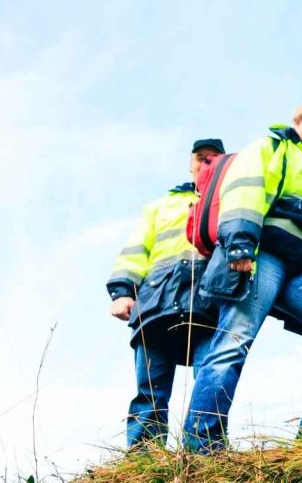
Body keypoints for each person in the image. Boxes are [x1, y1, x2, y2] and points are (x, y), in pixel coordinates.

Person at [183, 96, 302, 452]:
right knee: (234, 339)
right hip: (265, 253)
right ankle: (201, 446)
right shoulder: (273, 146)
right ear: (298, 119)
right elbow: (246, 187)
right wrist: (240, 244)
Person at [106, 138, 225, 447]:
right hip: (156, 306)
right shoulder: (160, 206)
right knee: (151, 392)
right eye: (201, 158)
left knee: (211, 381)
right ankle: (145, 460)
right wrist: (122, 292)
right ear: (191, 163)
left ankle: (206, 453)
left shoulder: (230, 201)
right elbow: (136, 251)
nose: (206, 163)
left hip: (209, 306)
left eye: (214, 158)